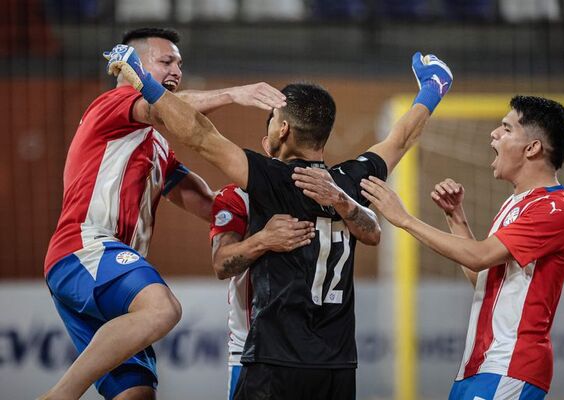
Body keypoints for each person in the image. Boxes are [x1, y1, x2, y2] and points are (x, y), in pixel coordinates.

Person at [105, 43, 452, 399]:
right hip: (338, 365)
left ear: (283, 129)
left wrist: (145, 81)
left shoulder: (271, 180)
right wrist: (432, 88)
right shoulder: (352, 180)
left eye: (271, 120)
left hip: (277, 359)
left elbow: (198, 134)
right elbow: (402, 137)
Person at [41, 27, 287, 400]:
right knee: (162, 309)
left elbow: (206, 201)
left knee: (137, 394)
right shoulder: (113, 103)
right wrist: (234, 94)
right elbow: (166, 110)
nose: (176, 70)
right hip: (85, 248)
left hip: (109, 272)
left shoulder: (154, 145)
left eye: (180, 64)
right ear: (132, 66)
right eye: (166, 61)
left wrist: (270, 204)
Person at [360, 95, 564, 399]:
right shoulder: (516, 202)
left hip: (511, 366)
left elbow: (480, 257)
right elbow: (484, 278)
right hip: (479, 366)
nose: (494, 134)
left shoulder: (556, 209)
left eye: (506, 128)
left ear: (532, 148)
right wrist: (456, 220)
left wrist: (405, 219)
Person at [210, 142, 382, 400]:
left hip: (318, 351)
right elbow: (221, 264)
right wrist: (263, 240)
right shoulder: (238, 195)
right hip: (252, 347)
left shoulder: (328, 189)